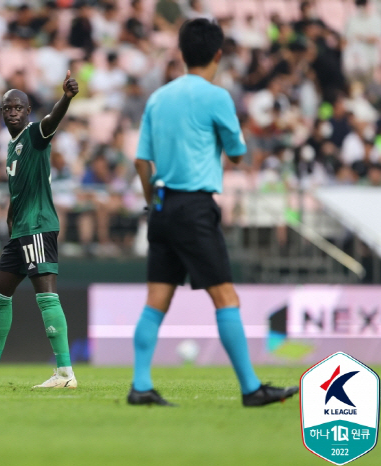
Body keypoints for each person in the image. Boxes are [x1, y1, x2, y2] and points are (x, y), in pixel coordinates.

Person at [129, 19, 299, 407]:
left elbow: (142, 161)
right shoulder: (217, 97)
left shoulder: (158, 97)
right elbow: (238, 155)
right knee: (226, 297)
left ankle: (140, 385)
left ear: (183, 54)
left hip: (162, 205)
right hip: (195, 206)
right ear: (218, 55)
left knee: (156, 300)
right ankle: (251, 389)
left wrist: (150, 199)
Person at [0, 70, 80, 389]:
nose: (12, 112)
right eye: (7, 108)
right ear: (2, 113)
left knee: (46, 297)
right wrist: (11, 226)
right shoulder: (12, 147)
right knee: (0, 296)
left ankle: (65, 373)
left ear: (27, 112)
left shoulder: (34, 135)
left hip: (38, 226)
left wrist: (65, 98)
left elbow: (52, 120)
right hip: (20, 231)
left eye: (18, 107)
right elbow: (17, 194)